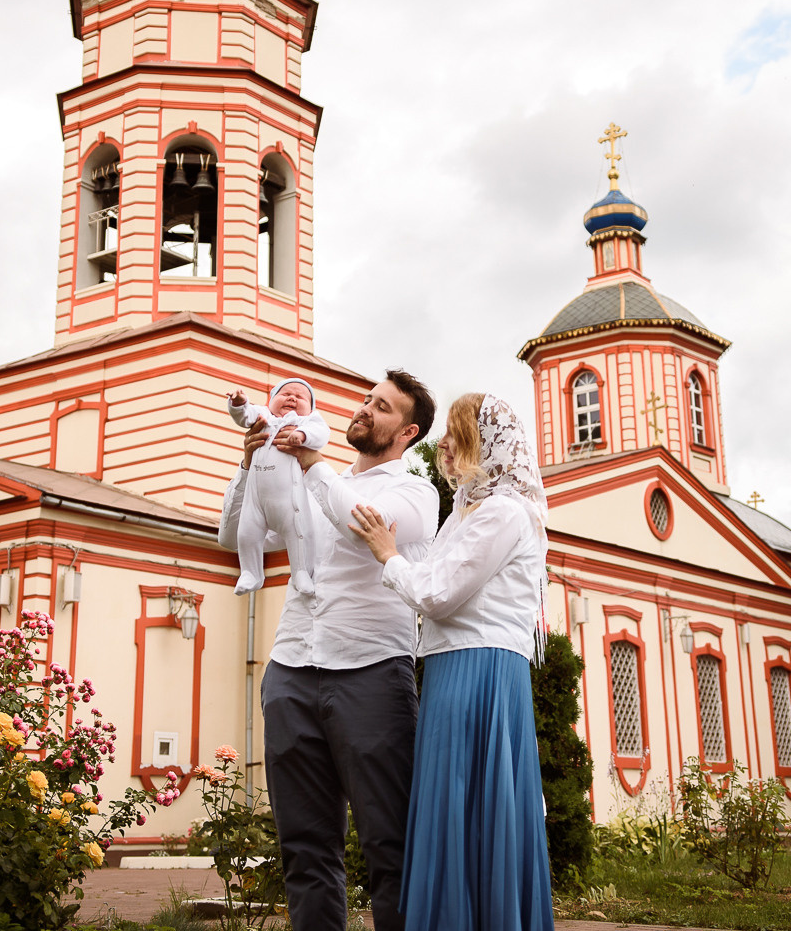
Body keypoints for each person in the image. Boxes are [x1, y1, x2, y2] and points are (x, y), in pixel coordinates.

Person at [220, 369, 438, 931]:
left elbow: (360, 528)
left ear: (408, 432)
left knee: (390, 840)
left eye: (383, 407)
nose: (365, 409)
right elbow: (231, 537)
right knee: (304, 845)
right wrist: (249, 465)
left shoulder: (415, 492)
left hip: (372, 673)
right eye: (367, 399)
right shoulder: (315, 479)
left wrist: (311, 463)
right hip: (291, 669)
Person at [342, 393, 554, 931]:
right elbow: (432, 584)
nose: (447, 444)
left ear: (485, 443)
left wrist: (388, 554)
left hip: (479, 669)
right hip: (452, 666)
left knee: (468, 804)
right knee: (454, 807)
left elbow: (436, 594)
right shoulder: (466, 510)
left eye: (459, 433)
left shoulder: (504, 511)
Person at [226, 378, 331, 595]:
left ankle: (301, 571)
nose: (292, 398)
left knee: (298, 532)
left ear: (311, 409)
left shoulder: (306, 422)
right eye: (285, 394)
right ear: (271, 400)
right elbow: (245, 416)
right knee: (246, 533)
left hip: (288, 499)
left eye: (300, 397)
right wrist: (239, 404)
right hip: (255, 497)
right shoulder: (263, 416)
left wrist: (302, 435)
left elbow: (321, 432)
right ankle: (250, 572)